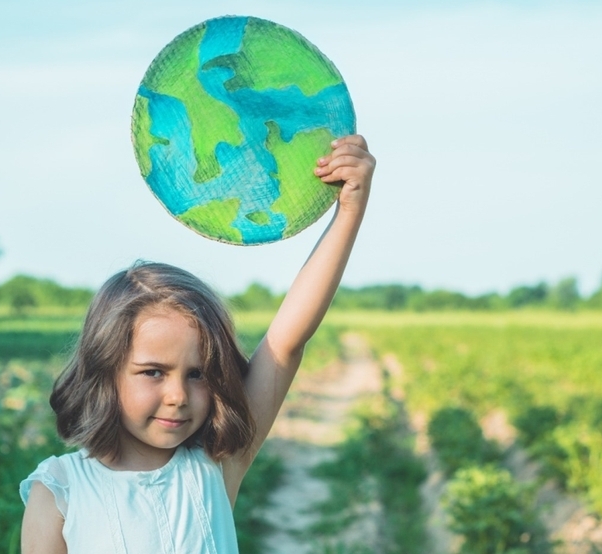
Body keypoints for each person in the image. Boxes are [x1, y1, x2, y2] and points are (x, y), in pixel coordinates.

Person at [19, 134, 376, 553]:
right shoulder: (60, 491)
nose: (177, 396)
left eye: (198, 374)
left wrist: (349, 212)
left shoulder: (215, 465)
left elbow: (286, 341)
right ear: (105, 371)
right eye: (153, 372)